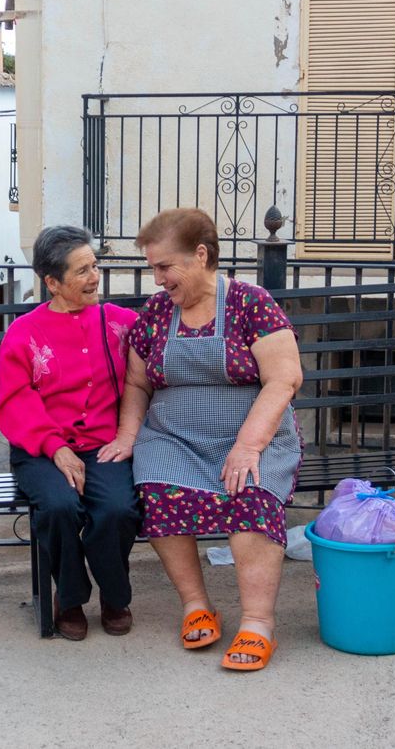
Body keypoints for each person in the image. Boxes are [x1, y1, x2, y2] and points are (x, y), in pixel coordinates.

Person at [109, 208, 303, 671]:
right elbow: (137, 384)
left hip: (249, 436)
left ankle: (257, 624)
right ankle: (196, 605)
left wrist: (250, 445)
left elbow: (284, 378)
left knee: (251, 504)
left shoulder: (250, 303)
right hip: (174, 439)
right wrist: (129, 435)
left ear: (200, 255)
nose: (157, 280)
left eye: (163, 267)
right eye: (152, 268)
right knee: (157, 491)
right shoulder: (156, 313)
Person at [0, 225, 141, 640]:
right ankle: (70, 597)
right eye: (81, 271)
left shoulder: (119, 323)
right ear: (52, 282)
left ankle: (115, 595)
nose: (95, 277)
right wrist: (55, 447)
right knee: (59, 507)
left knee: (117, 508)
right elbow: (14, 401)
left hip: (104, 445)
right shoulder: (23, 333)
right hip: (41, 448)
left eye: (94, 266)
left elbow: (165, 338)